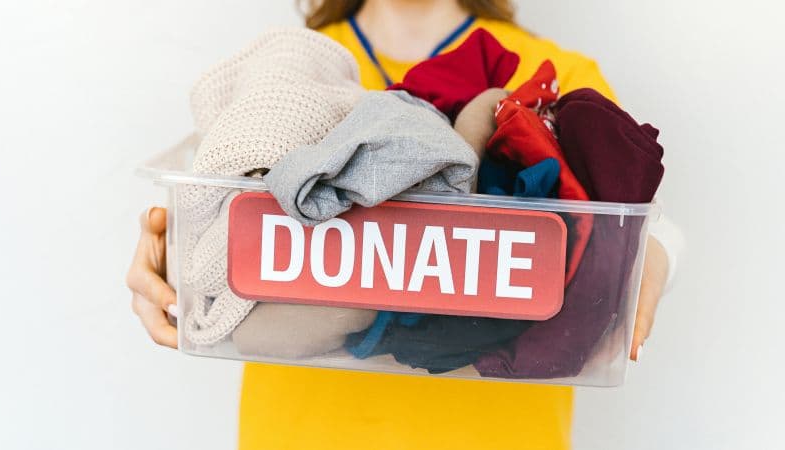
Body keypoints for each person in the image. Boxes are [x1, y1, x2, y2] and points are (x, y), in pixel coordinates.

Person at [126, 1, 682, 448]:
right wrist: (168, 256)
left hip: (499, 435)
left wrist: (653, 254)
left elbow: (635, 220)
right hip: (300, 434)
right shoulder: (286, 67)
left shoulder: (556, 74)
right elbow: (213, 203)